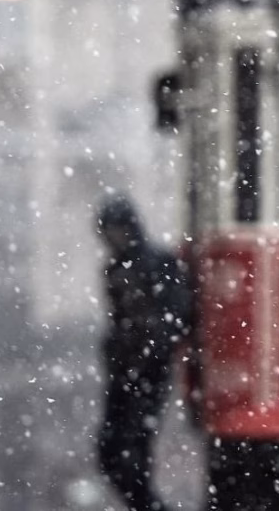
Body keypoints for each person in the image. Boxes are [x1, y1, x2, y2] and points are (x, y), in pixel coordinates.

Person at [95, 195, 193, 511]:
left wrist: (150, 343)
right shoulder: (115, 268)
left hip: (147, 369)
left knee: (132, 450)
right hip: (125, 369)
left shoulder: (156, 263)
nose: (113, 237)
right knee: (112, 451)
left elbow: (179, 313)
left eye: (117, 229)